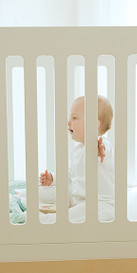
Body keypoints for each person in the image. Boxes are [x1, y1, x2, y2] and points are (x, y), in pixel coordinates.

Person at [38, 95, 115, 223]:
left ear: (93, 124)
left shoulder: (101, 145)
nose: (69, 122)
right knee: (56, 190)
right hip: (77, 198)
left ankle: (47, 220)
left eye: (74, 118)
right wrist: (53, 178)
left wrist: (99, 148)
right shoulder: (77, 150)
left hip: (100, 204)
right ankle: (21, 197)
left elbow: (105, 150)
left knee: (76, 214)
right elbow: (71, 174)